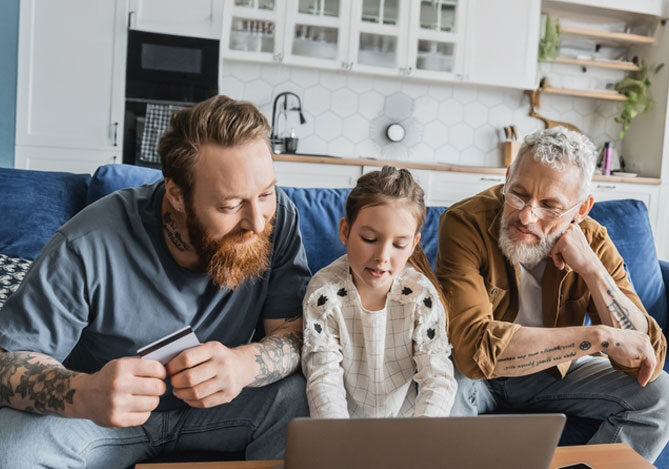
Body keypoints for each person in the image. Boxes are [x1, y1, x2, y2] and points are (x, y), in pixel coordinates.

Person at [0, 95, 311, 466]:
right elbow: (8, 364)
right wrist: (82, 392)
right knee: (11, 449)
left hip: (223, 408)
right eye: (230, 206)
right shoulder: (87, 243)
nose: (257, 222)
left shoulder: (277, 221)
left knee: (303, 398)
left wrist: (246, 363)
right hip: (103, 420)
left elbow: (295, 332)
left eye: (265, 194)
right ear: (177, 194)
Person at [436, 126, 669, 461]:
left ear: (581, 208)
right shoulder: (464, 222)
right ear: (507, 177)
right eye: (518, 194)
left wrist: (592, 270)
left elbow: (649, 356)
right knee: (439, 385)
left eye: (549, 205)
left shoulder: (593, 241)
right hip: (476, 378)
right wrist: (598, 337)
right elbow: (473, 350)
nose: (527, 215)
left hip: (552, 374)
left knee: (661, 397)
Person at [302, 166, 457, 418]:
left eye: (399, 244)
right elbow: (323, 379)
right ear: (345, 231)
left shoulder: (420, 296)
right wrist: (337, 442)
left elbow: (437, 378)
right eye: (369, 239)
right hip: (340, 428)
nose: (382, 257)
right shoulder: (324, 294)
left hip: (409, 428)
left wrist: (424, 436)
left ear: (414, 245)